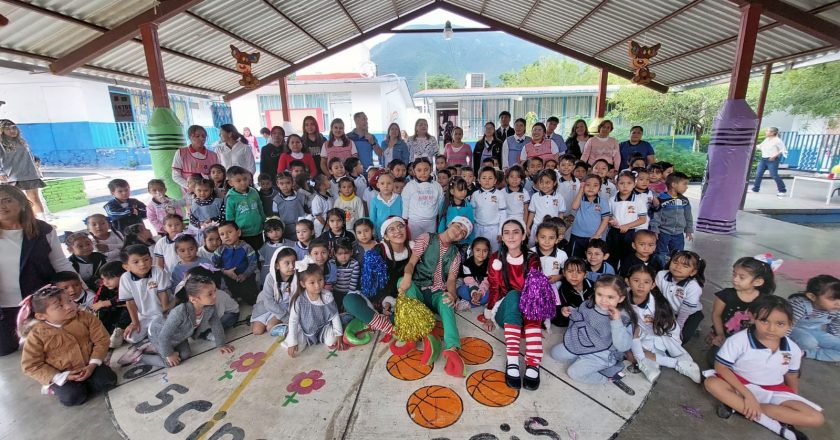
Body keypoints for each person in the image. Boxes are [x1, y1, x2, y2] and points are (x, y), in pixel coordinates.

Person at [704, 296, 824, 440]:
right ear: (752, 318)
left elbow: (791, 376)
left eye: (780, 324)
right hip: (739, 385)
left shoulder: (793, 349)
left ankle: (739, 407)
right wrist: (749, 396)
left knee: (816, 418)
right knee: (712, 383)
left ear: (790, 324)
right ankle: (773, 425)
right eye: (764, 321)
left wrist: (793, 398)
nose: (771, 329)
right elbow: (721, 367)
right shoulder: (739, 340)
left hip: (773, 390)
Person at [0, 185, 76, 355]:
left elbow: (61, 263)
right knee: (4, 349)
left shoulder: (43, 230)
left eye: (7, 200)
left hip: (39, 301)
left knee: (53, 345)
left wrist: (80, 289)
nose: (2, 206)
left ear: (22, 203)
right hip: (4, 306)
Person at [398, 217, 472, 377]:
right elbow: (412, 262)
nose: (458, 231)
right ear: (450, 223)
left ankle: (453, 349)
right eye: (458, 226)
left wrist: (452, 295)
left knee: (447, 302)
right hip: (418, 286)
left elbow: (451, 279)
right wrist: (407, 276)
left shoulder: (456, 254)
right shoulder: (426, 238)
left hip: (436, 292)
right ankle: (421, 335)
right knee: (402, 284)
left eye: (463, 233)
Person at [18, 285, 116, 406]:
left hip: (89, 365)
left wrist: (92, 365)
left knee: (108, 381)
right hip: (62, 374)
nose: (69, 306)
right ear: (41, 316)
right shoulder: (36, 334)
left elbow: (102, 340)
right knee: (73, 397)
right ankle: (52, 387)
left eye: (70, 301)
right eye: (60, 306)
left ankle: (88, 380)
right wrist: (62, 377)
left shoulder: (86, 317)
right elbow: (31, 365)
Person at [481, 219, 545, 390]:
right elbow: (494, 288)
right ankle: (513, 359)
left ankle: (533, 362)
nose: (511, 236)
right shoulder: (496, 258)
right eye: (506, 232)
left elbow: (534, 290)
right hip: (506, 311)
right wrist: (489, 314)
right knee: (515, 295)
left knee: (533, 297)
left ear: (523, 236)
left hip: (528, 312)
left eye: (516, 232)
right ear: (501, 237)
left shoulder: (532, 258)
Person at [549, 275, 637, 389]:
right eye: (600, 295)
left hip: (602, 354)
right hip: (583, 342)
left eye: (610, 297)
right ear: (595, 291)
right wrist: (568, 310)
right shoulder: (588, 304)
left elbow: (623, 346)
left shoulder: (624, 318)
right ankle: (582, 358)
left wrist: (616, 322)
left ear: (620, 298)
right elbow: (580, 314)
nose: (604, 300)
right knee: (555, 353)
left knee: (573, 373)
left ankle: (608, 377)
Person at [138, 274, 234, 367]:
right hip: (158, 333)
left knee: (185, 355)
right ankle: (140, 357)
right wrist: (169, 354)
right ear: (194, 299)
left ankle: (156, 348)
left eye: (214, 291)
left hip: (179, 335)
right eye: (210, 294)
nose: (214, 296)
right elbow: (163, 336)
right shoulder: (179, 312)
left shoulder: (209, 307)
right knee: (170, 362)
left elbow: (216, 325)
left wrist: (221, 344)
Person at [627, 265, 701, 384]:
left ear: (653, 285)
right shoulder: (623, 297)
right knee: (628, 351)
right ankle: (664, 363)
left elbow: (666, 330)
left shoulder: (658, 306)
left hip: (662, 334)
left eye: (646, 282)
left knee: (635, 353)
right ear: (628, 281)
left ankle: (680, 364)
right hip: (640, 333)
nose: (641, 285)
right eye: (636, 281)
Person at [708, 257, 776, 366]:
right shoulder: (726, 295)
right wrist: (720, 334)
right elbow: (716, 315)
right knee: (716, 360)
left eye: (741, 277)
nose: (735, 279)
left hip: (750, 341)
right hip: (726, 338)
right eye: (734, 274)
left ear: (758, 282)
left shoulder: (764, 301)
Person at [282, 259, 345, 357]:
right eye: (312, 282)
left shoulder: (327, 295)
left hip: (323, 328)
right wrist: (292, 342)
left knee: (332, 340)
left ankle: (325, 336)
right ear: (303, 284)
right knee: (295, 349)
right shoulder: (299, 300)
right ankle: (294, 338)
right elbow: (293, 321)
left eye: (320, 280)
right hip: (305, 330)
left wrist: (339, 334)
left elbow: (334, 315)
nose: (317, 285)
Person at [118, 244, 171, 347]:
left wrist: (165, 313)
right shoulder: (125, 278)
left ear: (151, 259)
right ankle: (152, 336)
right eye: (136, 262)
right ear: (126, 266)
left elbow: (162, 293)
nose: (142, 264)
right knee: (131, 337)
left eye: (146, 259)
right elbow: (130, 302)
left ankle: (153, 338)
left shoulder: (157, 271)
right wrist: (135, 322)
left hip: (161, 313)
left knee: (162, 330)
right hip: (144, 316)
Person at [656, 250, 706, 344]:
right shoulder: (661, 275)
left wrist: (678, 327)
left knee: (681, 338)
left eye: (685, 266)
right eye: (675, 262)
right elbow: (656, 297)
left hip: (689, 314)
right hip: (668, 311)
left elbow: (685, 310)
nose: (678, 267)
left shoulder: (693, 286)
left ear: (693, 272)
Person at [0, 120, 46, 218]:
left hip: (29, 173)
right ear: (1, 130)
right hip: (13, 176)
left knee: (34, 198)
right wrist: (1, 172)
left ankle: (42, 220)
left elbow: (26, 155)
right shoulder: (1, 143)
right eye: (7, 129)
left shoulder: (21, 141)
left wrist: (35, 160)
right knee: (17, 201)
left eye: (13, 127)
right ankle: (24, 221)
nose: (12, 130)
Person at [788, 274, 840, 362]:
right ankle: (794, 348)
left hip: (814, 332)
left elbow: (835, 327)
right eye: (832, 299)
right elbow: (787, 324)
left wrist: (833, 342)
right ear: (812, 296)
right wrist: (781, 343)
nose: (838, 304)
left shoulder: (836, 309)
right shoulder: (799, 305)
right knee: (809, 343)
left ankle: (805, 353)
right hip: (794, 329)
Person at [650, 172, 693, 267]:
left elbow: (688, 216)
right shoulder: (661, 199)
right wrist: (655, 230)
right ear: (673, 185)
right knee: (661, 253)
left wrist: (689, 230)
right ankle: (660, 270)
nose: (686, 187)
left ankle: (673, 269)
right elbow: (656, 216)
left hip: (678, 234)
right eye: (684, 184)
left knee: (678, 253)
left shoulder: (684, 200)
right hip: (663, 232)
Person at [607, 171, 648, 266]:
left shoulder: (638, 200)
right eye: (621, 183)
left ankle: (625, 277)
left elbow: (643, 219)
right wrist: (611, 220)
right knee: (612, 257)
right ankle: (612, 277)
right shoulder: (612, 200)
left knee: (628, 258)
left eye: (629, 183)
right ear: (616, 184)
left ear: (634, 184)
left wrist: (627, 226)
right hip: (614, 232)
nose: (625, 186)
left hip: (630, 233)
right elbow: (608, 216)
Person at [253, 246, 297, 335]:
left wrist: (286, 317)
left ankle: (291, 328)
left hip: (286, 307)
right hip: (268, 305)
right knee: (257, 331)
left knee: (270, 327)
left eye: (294, 262)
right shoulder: (270, 277)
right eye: (287, 263)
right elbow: (268, 302)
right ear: (277, 265)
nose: (292, 266)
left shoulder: (297, 276)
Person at [213, 221, 259, 305]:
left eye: (229, 232)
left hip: (245, 277)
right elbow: (214, 266)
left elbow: (253, 264)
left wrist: (245, 274)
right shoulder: (220, 250)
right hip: (227, 278)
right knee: (230, 299)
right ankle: (234, 298)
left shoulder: (246, 247)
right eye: (222, 234)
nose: (226, 236)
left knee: (251, 298)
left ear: (238, 232)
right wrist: (225, 272)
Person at [567, 174, 610, 258]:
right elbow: (574, 207)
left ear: (599, 189)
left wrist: (597, 235)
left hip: (594, 237)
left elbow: (605, 220)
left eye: (595, 185)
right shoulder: (580, 199)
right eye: (588, 185)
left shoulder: (603, 202)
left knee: (592, 259)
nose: (591, 188)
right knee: (574, 259)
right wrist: (580, 190)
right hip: (577, 235)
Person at [225, 166, 265, 251]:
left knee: (259, 252)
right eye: (238, 181)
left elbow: (260, 207)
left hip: (258, 230)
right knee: (246, 254)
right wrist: (233, 232)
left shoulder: (254, 192)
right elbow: (229, 217)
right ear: (231, 183)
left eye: (245, 179)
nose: (243, 182)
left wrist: (263, 221)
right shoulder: (231, 197)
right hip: (242, 233)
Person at [171, 125, 220, 193]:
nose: (201, 139)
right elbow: (176, 176)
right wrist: (192, 187)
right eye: (197, 136)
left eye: (204, 136)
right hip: (188, 193)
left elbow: (216, 176)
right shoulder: (181, 153)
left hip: (207, 193)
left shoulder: (213, 156)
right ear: (190, 137)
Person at [402, 158, 443, 237]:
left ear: (431, 169)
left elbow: (440, 202)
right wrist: (404, 219)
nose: (423, 173)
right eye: (419, 170)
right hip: (414, 222)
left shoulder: (437, 186)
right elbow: (405, 203)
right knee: (415, 244)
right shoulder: (410, 186)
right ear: (414, 171)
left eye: (426, 169)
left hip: (431, 221)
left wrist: (440, 218)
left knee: (430, 243)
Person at [527, 170, 565, 247]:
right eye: (541, 182)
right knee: (533, 245)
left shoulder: (559, 197)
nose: (544, 185)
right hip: (537, 226)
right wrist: (528, 226)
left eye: (547, 182)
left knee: (550, 245)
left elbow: (561, 214)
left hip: (553, 228)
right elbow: (532, 213)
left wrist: (560, 228)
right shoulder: (535, 196)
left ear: (554, 183)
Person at [552, 257, 593, 327]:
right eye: (570, 271)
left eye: (579, 272)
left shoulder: (594, 287)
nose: (574, 276)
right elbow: (557, 320)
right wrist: (563, 312)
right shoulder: (562, 291)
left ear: (585, 274)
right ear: (564, 273)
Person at [439, 176, 475, 246]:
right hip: (448, 241)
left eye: (465, 189)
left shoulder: (468, 207)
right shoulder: (445, 205)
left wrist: (471, 243)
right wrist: (441, 239)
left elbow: (471, 225)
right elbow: (442, 223)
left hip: (464, 243)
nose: (464, 192)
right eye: (460, 190)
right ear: (452, 191)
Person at [752, 127, 788, 197]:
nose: (766, 132)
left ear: (772, 133)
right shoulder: (767, 139)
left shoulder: (778, 141)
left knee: (774, 175)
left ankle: (782, 190)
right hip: (763, 159)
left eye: (767, 131)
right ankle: (755, 189)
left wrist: (774, 156)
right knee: (758, 174)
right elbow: (760, 146)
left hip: (772, 160)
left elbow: (783, 150)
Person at [457, 237, 491, 308]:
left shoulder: (490, 264)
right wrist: (474, 293)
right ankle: (476, 301)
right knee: (461, 290)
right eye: (478, 250)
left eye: (485, 251)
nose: (481, 254)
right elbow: (469, 281)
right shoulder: (467, 263)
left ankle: (470, 303)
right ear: (473, 250)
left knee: (489, 296)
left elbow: (487, 282)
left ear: (488, 252)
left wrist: (480, 293)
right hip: (471, 287)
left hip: (484, 288)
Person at [272, 173, 306, 240]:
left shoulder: (301, 196)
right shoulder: (276, 200)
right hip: (286, 230)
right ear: (277, 184)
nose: (285, 186)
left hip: (302, 229)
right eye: (281, 183)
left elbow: (306, 211)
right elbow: (276, 217)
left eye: (288, 183)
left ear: (292, 182)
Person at [369, 173, 402, 239]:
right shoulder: (375, 200)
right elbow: (372, 218)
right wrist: (374, 232)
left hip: (397, 231)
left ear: (393, 185)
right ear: (378, 185)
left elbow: (403, 214)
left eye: (389, 183)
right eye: (382, 183)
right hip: (381, 231)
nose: (386, 186)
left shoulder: (399, 198)